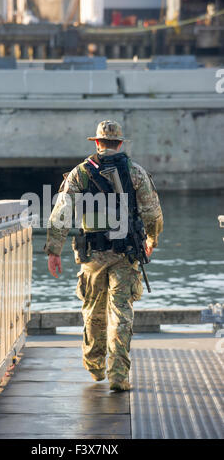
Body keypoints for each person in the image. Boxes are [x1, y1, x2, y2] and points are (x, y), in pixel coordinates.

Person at [44, 120, 163, 391]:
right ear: (120, 143)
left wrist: (54, 250)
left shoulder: (80, 173)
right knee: (121, 313)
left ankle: (94, 365)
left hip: (92, 255)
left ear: (97, 143)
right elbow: (152, 212)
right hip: (126, 254)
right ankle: (119, 375)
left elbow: (61, 213)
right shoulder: (136, 172)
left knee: (93, 311)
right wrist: (152, 239)